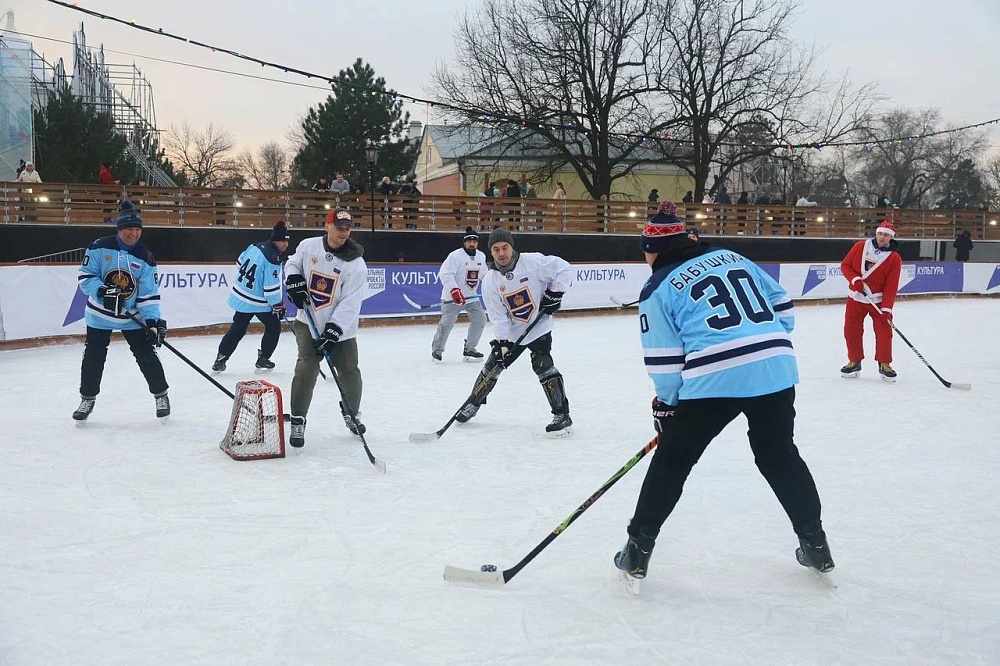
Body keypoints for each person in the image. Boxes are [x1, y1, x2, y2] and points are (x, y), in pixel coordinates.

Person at [614, 200, 832, 581]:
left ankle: (637, 550)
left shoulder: (657, 287)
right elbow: (783, 304)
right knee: (779, 456)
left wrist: (666, 406)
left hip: (715, 374)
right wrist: (764, 340)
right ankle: (816, 546)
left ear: (653, 250)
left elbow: (664, 361)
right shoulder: (731, 256)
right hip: (775, 364)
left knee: (673, 460)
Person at [456, 226, 575, 435]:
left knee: (543, 365)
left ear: (512, 247)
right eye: (496, 249)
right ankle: (472, 403)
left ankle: (561, 415)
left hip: (538, 328)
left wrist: (555, 294)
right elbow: (497, 315)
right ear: (490, 252)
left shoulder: (532, 262)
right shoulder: (491, 280)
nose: (501, 253)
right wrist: (502, 342)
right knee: (493, 367)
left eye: (505, 248)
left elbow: (564, 269)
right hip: (513, 333)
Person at [72, 204, 169, 422]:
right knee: (94, 356)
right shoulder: (98, 247)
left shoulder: (145, 257)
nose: (133, 233)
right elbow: (85, 276)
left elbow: (148, 294)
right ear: (119, 228)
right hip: (99, 315)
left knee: (146, 355)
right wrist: (102, 291)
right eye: (129, 229)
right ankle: (87, 398)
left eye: (138, 229)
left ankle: (161, 395)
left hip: (130, 317)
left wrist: (152, 321)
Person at [283, 208, 368, 448]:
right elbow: (292, 265)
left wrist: (333, 330)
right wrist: (294, 281)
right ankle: (298, 419)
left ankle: (351, 413)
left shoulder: (356, 264)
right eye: (339, 228)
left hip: (341, 330)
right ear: (327, 226)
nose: (343, 233)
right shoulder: (309, 246)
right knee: (306, 367)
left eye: (347, 229)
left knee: (350, 372)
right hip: (307, 322)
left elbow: (351, 302)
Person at [212, 222, 291, 373]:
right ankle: (264, 358)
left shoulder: (255, 246)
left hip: (242, 298)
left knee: (238, 328)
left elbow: (239, 262)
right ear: (275, 239)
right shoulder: (273, 259)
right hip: (259, 302)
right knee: (274, 327)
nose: (286, 244)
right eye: (283, 240)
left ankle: (221, 357)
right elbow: (271, 289)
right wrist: (278, 306)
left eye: (287, 241)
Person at [839, 218, 902, 381]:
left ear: (891, 238)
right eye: (880, 233)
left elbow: (891, 285)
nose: (882, 237)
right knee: (851, 329)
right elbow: (845, 265)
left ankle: (884, 363)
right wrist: (855, 280)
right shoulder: (860, 246)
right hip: (856, 297)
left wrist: (887, 308)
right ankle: (854, 360)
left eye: (886, 235)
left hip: (878, 301)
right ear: (876, 233)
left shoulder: (894, 258)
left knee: (884, 332)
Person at [431, 227, 488, 363]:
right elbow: (445, 273)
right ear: (464, 243)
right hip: (453, 298)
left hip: (471, 297)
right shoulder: (455, 256)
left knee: (480, 319)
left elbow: (485, 275)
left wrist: (493, 286)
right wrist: (454, 290)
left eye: (474, 241)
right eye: (469, 241)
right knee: (447, 323)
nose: (472, 244)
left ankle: (470, 349)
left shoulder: (481, 256)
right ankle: (437, 351)